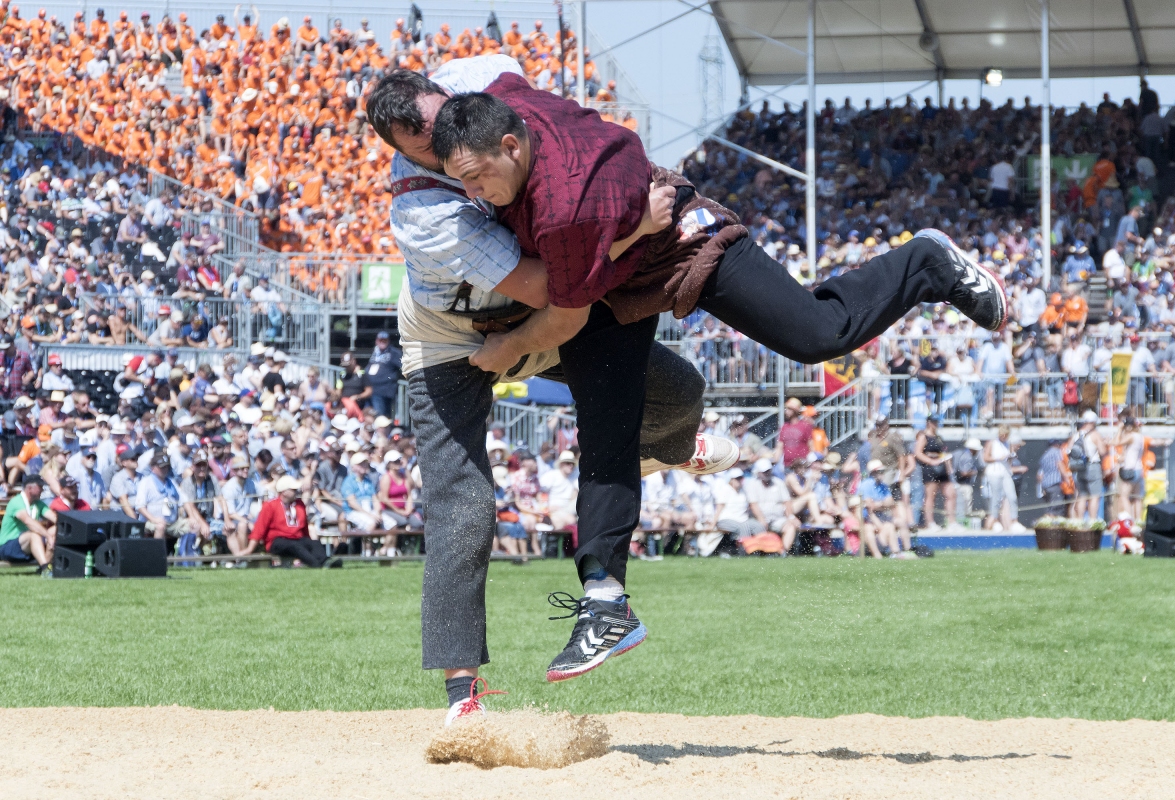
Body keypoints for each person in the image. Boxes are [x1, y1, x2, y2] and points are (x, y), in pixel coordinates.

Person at [427, 70, 1004, 678]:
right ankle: (605, 603)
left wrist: (507, 351)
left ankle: (926, 262)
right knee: (605, 433)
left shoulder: (565, 206)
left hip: (679, 246)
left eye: (478, 177)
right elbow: (498, 78)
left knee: (816, 335)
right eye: (461, 179)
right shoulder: (505, 103)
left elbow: (563, 315)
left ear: (511, 145)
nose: (473, 193)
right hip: (611, 279)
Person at [365, 63, 737, 713]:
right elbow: (548, 285)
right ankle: (462, 694)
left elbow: (563, 140)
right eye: (427, 147)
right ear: (403, 154)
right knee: (464, 508)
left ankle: (668, 449)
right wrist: (635, 229)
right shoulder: (424, 210)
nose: (448, 145)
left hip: (535, 323)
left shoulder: (478, 80)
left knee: (678, 389)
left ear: (448, 92)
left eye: (446, 118)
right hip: (454, 341)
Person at [249, 475, 336, 568]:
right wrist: (250, 549)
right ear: (284, 492)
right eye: (293, 490)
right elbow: (259, 529)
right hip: (277, 541)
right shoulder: (270, 505)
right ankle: (316, 564)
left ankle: (326, 562)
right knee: (294, 546)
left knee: (314, 543)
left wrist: (308, 540)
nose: (296, 491)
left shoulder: (300, 505)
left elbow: (304, 528)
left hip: (296, 539)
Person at [0, 475, 56, 574]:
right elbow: (28, 521)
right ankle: (45, 569)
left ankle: (44, 569)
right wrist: (47, 535)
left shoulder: (38, 503)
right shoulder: (16, 501)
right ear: (30, 488)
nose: (42, 490)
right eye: (40, 487)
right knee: (33, 535)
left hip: (27, 546)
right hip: (7, 546)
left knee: (56, 530)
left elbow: (56, 518)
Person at [914, 415, 954, 530]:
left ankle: (951, 521)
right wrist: (931, 461)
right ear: (929, 423)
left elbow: (943, 452)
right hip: (930, 468)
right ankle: (930, 522)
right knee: (931, 495)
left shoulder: (938, 437)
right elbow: (918, 453)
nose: (936, 424)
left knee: (950, 493)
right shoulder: (923, 436)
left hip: (942, 467)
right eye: (934, 422)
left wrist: (948, 466)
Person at [983, 426, 1018, 532]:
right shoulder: (992, 443)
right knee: (996, 498)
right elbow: (986, 458)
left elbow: (1010, 459)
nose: (1004, 437)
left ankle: (1014, 521)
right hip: (994, 472)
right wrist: (999, 458)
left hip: (1005, 472)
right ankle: (995, 521)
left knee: (1012, 496)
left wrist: (1011, 456)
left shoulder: (1008, 443)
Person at [366, 331, 404, 417]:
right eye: (380, 340)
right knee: (371, 415)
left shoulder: (393, 352)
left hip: (384, 390)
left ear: (388, 341)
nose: (382, 342)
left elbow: (402, 366)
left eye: (385, 340)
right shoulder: (375, 352)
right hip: (371, 389)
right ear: (376, 341)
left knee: (381, 416)